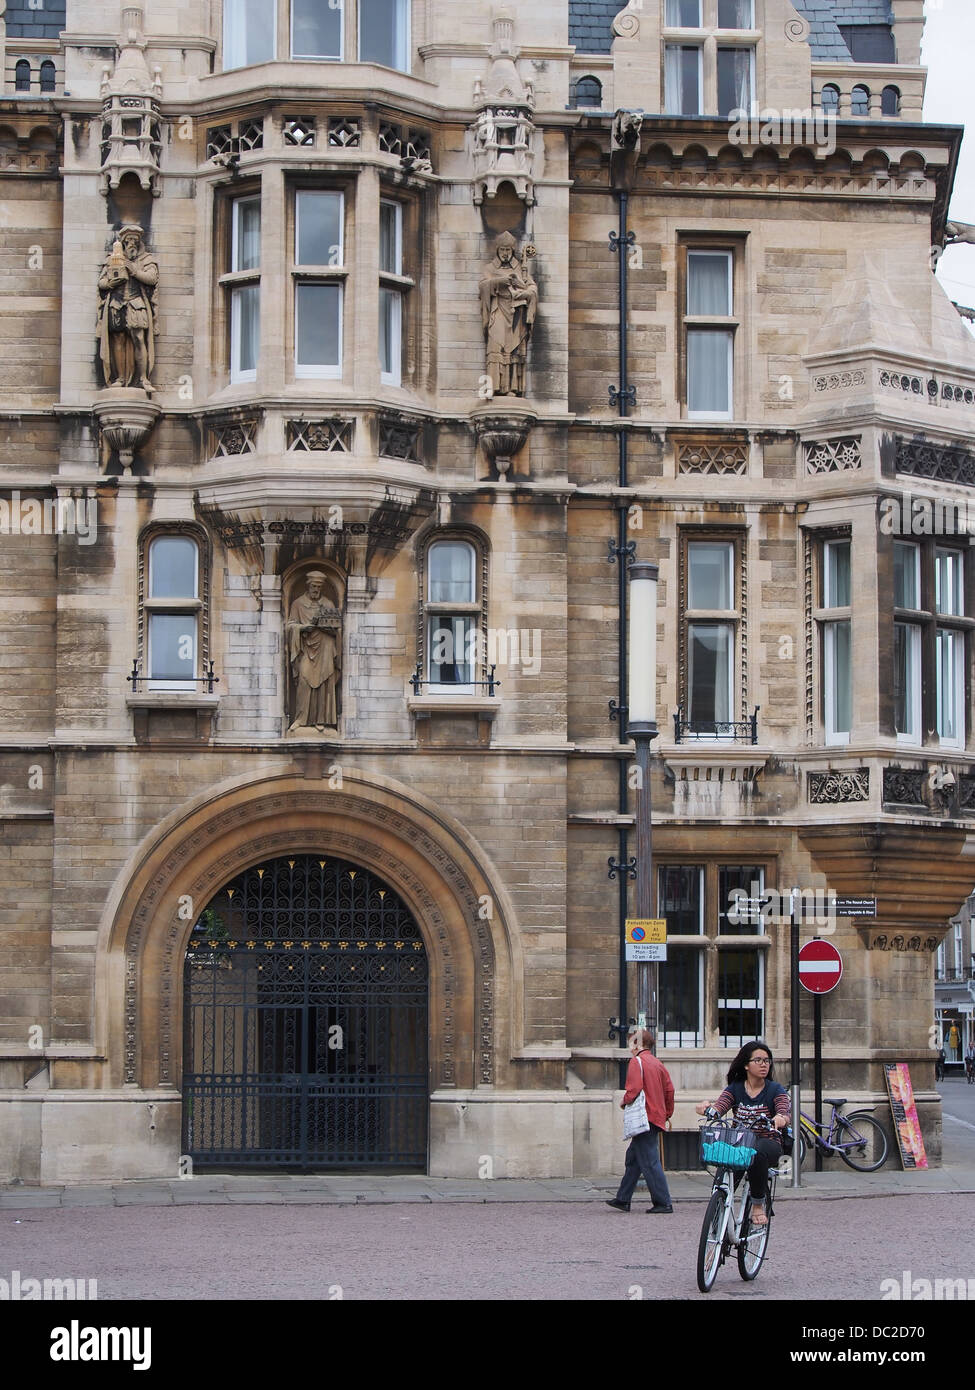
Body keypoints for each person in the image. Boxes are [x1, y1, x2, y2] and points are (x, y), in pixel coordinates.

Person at [695, 1040, 790, 1227]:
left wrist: (780, 1118)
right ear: (746, 1065)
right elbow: (720, 1107)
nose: (764, 1064)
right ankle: (718, 1207)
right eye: (758, 1060)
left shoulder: (774, 1089)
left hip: (767, 1141)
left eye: (767, 1060)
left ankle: (757, 1205)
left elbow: (783, 1110)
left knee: (757, 1153)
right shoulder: (735, 1088)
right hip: (740, 1142)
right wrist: (706, 1109)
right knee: (725, 1162)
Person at [606, 1028, 675, 1215]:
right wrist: (667, 1112)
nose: (630, 1048)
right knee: (634, 1159)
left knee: (650, 1161)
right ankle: (623, 1198)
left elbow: (634, 1089)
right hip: (656, 1115)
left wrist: (624, 1101)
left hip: (645, 1116)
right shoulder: (657, 1063)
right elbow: (670, 1090)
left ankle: (663, 1202)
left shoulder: (637, 1062)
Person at [96, 223, 158, 392]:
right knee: (118, 340)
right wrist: (110, 283)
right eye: (129, 240)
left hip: (136, 303)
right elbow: (101, 283)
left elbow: (152, 278)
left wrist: (134, 271)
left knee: (138, 338)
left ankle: (143, 378)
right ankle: (120, 378)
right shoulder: (112, 259)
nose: (132, 243)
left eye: (135, 240)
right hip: (116, 303)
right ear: (123, 242)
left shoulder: (146, 259)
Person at [286, 572, 341, 731]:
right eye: (313, 586)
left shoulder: (328, 604)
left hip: (325, 647)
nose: (316, 589)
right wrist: (303, 627)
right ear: (308, 586)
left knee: (324, 683)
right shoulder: (298, 604)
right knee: (304, 681)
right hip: (306, 648)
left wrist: (330, 629)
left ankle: (321, 719)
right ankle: (300, 718)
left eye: (319, 587)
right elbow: (290, 626)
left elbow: (337, 629)